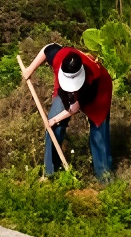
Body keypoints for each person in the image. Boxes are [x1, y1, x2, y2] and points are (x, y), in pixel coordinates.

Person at [21, 42, 113, 182]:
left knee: (99, 133)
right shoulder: (59, 56)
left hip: (99, 92)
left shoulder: (93, 77)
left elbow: (74, 108)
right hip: (64, 91)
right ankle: (50, 174)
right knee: (53, 128)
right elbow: (47, 48)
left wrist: (54, 120)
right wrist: (30, 69)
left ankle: (104, 177)